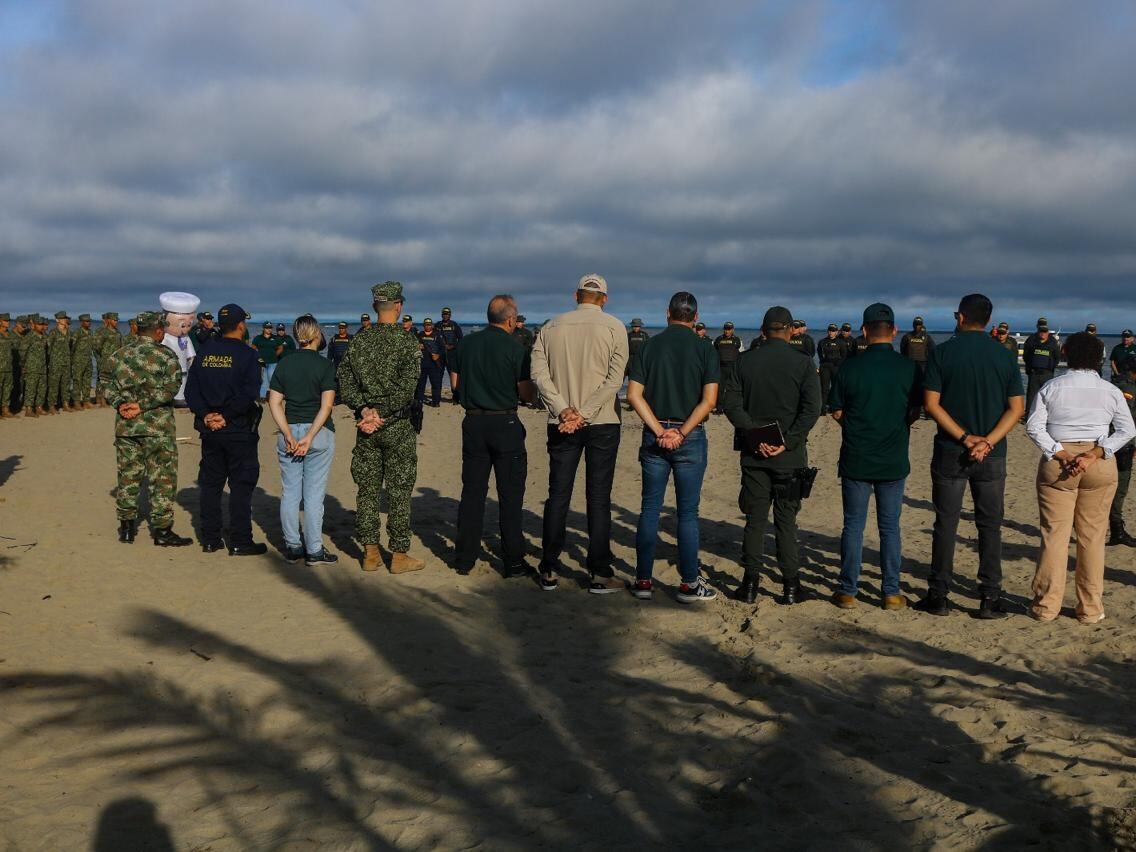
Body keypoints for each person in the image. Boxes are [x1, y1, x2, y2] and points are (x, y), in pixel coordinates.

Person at [916, 293, 1024, 618]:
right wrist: (987, 441)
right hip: (991, 454)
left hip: (952, 449)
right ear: (989, 321)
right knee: (990, 526)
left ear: (960, 317)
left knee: (946, 523)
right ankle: (990, 597)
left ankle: (939, 596)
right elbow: (1016, 409)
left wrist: (966, 438)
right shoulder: (1004, 355)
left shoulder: (944, 352)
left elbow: (932, 404)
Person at [1025, 332, 1135, 624]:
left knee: (1054, 536)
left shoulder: (1052, 386)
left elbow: (1034, 427)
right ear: (1099, 358)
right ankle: (1089, 608)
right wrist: (1094, 454)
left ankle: (1046, 607)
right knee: (1092, 538)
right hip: (1097, 462)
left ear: (1064, 354)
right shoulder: (1109, 390)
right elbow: (1127, 430)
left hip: (1058, 463)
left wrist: (1060, 454)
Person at [530, 273, 628, 593]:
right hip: (600, 422)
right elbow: (614, 381)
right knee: (598, 498)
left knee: (558, 494)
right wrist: (579, 413)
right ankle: (599, 573)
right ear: (604, 298)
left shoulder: (550, 327)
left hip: (565, 421)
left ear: (576, 296)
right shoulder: (615, 327)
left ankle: (549, 568)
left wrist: (565, 410)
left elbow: (539, 376)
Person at [722, 306, 821, 605]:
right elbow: (812, 409)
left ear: (763, 332)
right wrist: (787, 441)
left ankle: (750, 585)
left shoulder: (744, 361)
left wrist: (756, 434)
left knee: (755, 519)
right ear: (791, 330)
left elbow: (731, 404)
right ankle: (791, 586)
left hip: (756, 453)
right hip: (788, 456)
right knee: (786, 521)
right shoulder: (803, 363)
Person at [628, 292, 720, 603]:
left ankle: (643, 580)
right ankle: (689, 583)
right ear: (695, 317)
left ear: (668, 313)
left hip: (658, 434)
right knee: (688, 513)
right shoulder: (705, 348)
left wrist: (659, 430)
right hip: (689, 437)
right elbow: (709, 401)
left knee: (650, 509)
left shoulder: (649, 345)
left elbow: (634, 395)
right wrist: (679, 432)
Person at [828, 304, 921, 610]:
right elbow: (914, 412)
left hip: (857, 454)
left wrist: (855, 425)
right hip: (892, 456)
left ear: (864, 331)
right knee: (890, 526)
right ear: (894, 331)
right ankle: (891, 592)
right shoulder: (908, 368)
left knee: (853, 525)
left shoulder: (849, 367)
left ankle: (848, 590)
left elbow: (837, 410)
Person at [337, 281, 425, 574]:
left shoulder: (359, 341)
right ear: (399, 306)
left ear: (375, 306)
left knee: (368, 489)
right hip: (395, 424)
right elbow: (408, 388)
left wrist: (365, 410)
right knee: (399, 490)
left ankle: (371, 553)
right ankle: (398, 555)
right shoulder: (407, 341)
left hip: (368, 427)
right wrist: (379, 412)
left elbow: (346, 382)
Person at [450, 295, 535, 576]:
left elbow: (456, 384)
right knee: (510, 495)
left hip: (473, 422)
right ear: (510, 320)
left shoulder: (466, 344)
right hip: (504, 422)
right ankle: (513, 561)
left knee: (473, 492)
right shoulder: (515, 348)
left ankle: (464, 558)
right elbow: (525, 392)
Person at [184, 304, 267, 556]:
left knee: (211, 485)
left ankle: (210, 538)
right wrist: (219, 416)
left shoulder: (206, 351)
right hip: (238, 429)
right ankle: (240, 541)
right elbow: (250, 393)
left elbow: (191, 391)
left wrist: (208, 415)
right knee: (240, 486)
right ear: (241, 325)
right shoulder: (248, 355)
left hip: (212, 430)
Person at [106, 311, 191, 547]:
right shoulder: (166, 356)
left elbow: (105, 383)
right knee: (161, 478)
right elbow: (172, 387)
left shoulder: (118, 356)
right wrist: (141, 405)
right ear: (158, 331)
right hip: (158, 428)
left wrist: (122, 404)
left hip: (127, 426)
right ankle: (162, 532)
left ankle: (126, 529)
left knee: (128, 476)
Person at [267, 315, 338, 566]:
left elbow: (274, 402)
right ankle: (314, 550)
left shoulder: (284, 363)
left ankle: (294, 546)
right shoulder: (325, 365)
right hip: (318, 434)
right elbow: (326, 406)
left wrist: (287, 433)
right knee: (313, 495)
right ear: (317, 334)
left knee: (290, 492)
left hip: (291, 431)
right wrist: (310, 436)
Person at [1108, 356, 1136, 546]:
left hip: (1107, 444)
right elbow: (1129, 419)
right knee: (1119, 490)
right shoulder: (1129, 388)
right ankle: (1116, 530)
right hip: (1122, 445)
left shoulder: (1111, 384)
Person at [1024, 318, 1060, 416]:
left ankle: (1047, 415)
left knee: (1048, 396)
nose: (1043, 333)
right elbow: (1026, 355)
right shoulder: (1031, 339)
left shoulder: (1053, 341)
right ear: (1037, 329)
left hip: (1047, 373)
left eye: (1045, 332)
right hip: (1034, 372)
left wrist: (1050, 367)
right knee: (1031, 396)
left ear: (1048, 332)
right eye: (1041, 331)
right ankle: (1028, 415)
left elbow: (1057, 357)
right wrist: (1030, 368)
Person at [19, 316, 49, 416]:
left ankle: (39, 407)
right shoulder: (29, 337)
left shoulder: (44, 337)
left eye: (42, 324)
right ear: (34, 325)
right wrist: (24, 365)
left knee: (42, 388)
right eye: (39, 324)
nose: (41, 326)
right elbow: (22, 352)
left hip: (42, 367)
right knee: (31, 388)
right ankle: (28, 409)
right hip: (31, 367)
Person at [817, 323, 848, 416]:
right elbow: (819, 352)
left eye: (833, 331)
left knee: (835, 388)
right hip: (825, 367)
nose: (831, 332)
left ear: (837, 332)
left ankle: (833, 407)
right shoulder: (822, 341)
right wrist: (822, 361)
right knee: (824, 388)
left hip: (836, 367)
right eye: (830, 330)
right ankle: (822, 409)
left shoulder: (841, 342)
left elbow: (844, 355)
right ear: (827, 331)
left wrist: (838, 364)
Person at [93, 312, 123, 407]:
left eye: (117, 320)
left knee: (112, 379)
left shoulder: (118, 332)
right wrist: (101, 357)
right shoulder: (103, 332)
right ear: (109, 320)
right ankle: (101, 399)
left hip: (115, 360)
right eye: (114, 320)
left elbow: (121, 346)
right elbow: (97, 346)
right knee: (102, 379)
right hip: (105, 359)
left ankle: (107, 398)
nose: (116, 322)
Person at [45, 310, 73, 412]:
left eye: (65, 318)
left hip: (66, 362)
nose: (65, 320)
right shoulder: (53, 332)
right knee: (54, 385)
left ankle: (65, 404)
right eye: (63, 319)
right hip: (55, 363)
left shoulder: (69, 332)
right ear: (57, 320)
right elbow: (48, 347)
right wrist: (51, 360)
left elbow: (71, 347)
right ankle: (52, 406)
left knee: (66, 384)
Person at [416, 317, 444, 406]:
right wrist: (418, 346)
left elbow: (443, 349)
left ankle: (436, 402)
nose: (427, 326)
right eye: (426, 325)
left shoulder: (437, 336)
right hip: (422, 364)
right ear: (423, 325)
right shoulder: (419, 335)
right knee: (420, 385)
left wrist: (438, 355)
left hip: (434, 364)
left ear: (431, 325)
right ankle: (419, 401)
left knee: (436, 384)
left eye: (429, 325)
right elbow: (413, 347)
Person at [437, 307, 463, 402]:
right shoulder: (437, 325)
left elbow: (461, 339)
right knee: (438, 376)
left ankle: (456, 397)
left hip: (452, 354)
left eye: (447, 314)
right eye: (444, 314)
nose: (445, 315)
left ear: (450, 315)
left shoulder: (455, 325)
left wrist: (452, 346)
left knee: (453, 376)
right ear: (441, 315)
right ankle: (437, 397)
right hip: (440, 354)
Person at [69, 313, 95, 408]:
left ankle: (86, 401)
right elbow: (72, 347)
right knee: (77, 381)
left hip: (88, 359)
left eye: (89, 321)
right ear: (81, 322)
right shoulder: (77, 332)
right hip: (78, 360)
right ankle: (76, 402)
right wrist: (72, 360)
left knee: (87, 381)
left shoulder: (91, 332)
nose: (89, 323)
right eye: (87, 321)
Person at [252, 321, 283, 400]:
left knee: (272, 379)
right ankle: (262, 397)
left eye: (270, 328)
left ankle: (274, 397)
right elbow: (252, 349)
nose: (269, 329)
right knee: (264, 380)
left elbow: (280, 348)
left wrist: (274, 355)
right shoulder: (258, 338)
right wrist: (258, 358)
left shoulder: (275, 338)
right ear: (263, 328)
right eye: (267, 328)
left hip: (273, 362)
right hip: (262, 363)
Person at [0, 313, 14, 418]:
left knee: (7, 389)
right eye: (6, 321)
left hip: (8, 367)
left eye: (8, 321)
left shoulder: (9, 334)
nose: (8, 322)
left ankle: (5, 410)